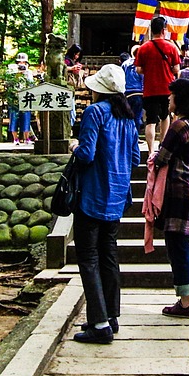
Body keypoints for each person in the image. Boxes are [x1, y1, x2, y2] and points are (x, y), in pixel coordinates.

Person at [68, 63, 141, 344]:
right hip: (118, 195)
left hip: (92, 194)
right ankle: (111, 315)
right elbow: (135, 158)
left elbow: (86, 154)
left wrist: (74, 146)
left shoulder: (94, 112)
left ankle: (99, 324)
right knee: (109, 255)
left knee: (88, 259)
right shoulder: (128, 117)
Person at [150, 76, 189, 318]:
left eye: (172, 95)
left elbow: (163, 157)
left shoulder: (179, 126)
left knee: (176, 246)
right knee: (184, 245)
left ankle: (185, 303)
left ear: (180, 99)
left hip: (179, 191)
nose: (169, 98)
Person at [132, 16, 182, 161]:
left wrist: (150, 70)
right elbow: (176, 68)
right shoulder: (171, 47)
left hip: (150, 89)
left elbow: (139, 70)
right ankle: (163, 144)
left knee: (150, 120)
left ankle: (150, 151)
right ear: (163, 30)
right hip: (167, 88)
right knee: (165, 116)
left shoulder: (143, 48)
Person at [4, 53, 33, 145]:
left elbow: (31, 84)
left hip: (25, 97)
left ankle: (27, 138)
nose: (21, 64)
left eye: (23, 62)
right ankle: (15, 139)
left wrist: (25, 73)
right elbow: (8, 83)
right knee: (14, 118)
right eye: (19, 62)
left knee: (26, 118)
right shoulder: (11, 71)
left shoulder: (28, 72)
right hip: (14, 97)